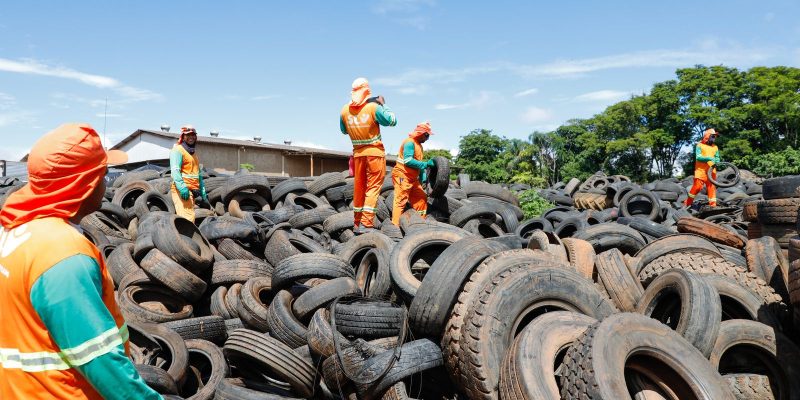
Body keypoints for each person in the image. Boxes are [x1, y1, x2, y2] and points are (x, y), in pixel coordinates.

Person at [0, 123, 161, 399]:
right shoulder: (63, 253)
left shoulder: (15, 231)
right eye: (102, 174)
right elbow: (99, 359)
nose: (105, 182)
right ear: (85, 184)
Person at [340, 78, 397, 233]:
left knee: (359, 188)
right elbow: (392, 121)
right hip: (375, 154)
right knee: (372, 188)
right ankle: (366, 223)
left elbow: (344, 130)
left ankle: (357, 222)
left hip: (358, 155)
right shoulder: (373, 108)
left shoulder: (344, 110)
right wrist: (383, 104)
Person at [391, 122, 435, 225]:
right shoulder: (409, 143)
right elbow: (408, 161)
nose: (428, 138)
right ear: (422, 133)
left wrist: (422, 178)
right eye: (427, 135)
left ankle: (419, 224)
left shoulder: (419, 146)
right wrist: (425, 164)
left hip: (413, 178)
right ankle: (395, 227)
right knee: (401, 200)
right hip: (402, 175)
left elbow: (417, 164)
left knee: (421, 198)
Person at [170, 124, 208, 222]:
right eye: (188, 135)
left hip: (192, 191)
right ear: (183, 136)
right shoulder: (178, 150)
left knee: (189, 218)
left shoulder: (193, 154)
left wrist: (203, 192)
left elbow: (198, 174)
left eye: (193, 135)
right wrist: (182, 188)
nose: (191, 137)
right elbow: (175, 170)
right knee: (188, 220)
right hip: (182, 191)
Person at [685, 128, 721, 208]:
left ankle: (713, 206)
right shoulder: (699, 145)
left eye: (715, 137)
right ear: (707, 136)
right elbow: (698, 157)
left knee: (711, 188)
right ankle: (687, 203)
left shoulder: (715, 147)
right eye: (713, 136)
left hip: (711, 171)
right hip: (701, 171)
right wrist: (708, 158)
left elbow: (717, 158)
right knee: (697, 187)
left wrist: (717, 161)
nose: (714, 138)